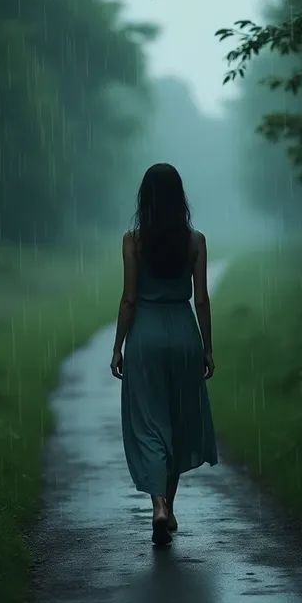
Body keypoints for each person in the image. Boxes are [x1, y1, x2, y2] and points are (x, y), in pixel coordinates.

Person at [110, 162, 218, 546]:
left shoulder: (133, 241)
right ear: (179, 197)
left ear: (145, 199)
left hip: (146, 338)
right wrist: (206, 346)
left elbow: (128, 299)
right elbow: (202, 299)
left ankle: (158, 506)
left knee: (151, 424)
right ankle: (168, 507)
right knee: (176, 420)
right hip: (184, 334)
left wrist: (118, 346)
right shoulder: (195, 241)